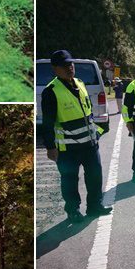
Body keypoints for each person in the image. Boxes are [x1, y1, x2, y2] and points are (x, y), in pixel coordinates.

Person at [39, 49, 112, 223]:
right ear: (55, 69)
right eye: (65, 66)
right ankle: (73, 211)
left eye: (71, 64)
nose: (70, 68)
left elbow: (88, 113)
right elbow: (47, 123)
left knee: (95, 176)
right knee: (70, 181)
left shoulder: (80, 83)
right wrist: (50, 147)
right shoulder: (51, 91)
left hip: (89, 145)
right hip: (67, 148)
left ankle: (95, 206)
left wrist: (98, 133)